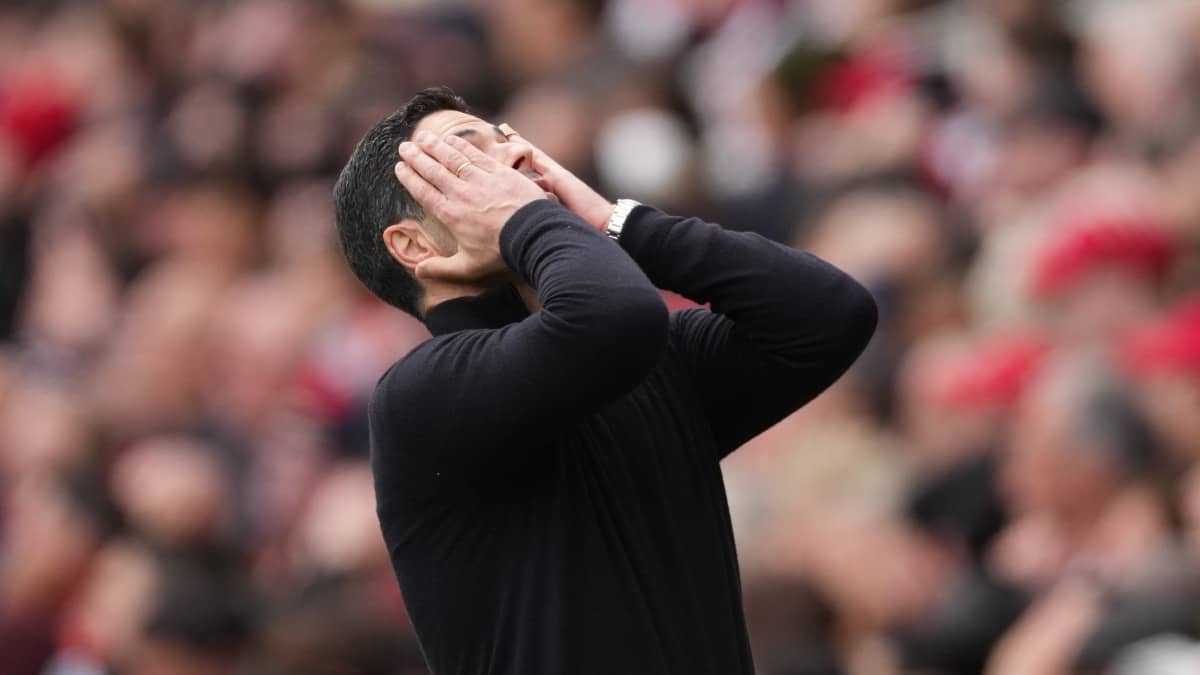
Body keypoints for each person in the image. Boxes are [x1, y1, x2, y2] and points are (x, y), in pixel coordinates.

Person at [332, 87, 877, 675]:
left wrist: (615, 222)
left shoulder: (650, 359)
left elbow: (827, 315)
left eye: (510, 141)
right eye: (467, 161)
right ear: (411, 245)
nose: (519, 161)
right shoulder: (418, 397)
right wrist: (531, 220)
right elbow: (611, 319)